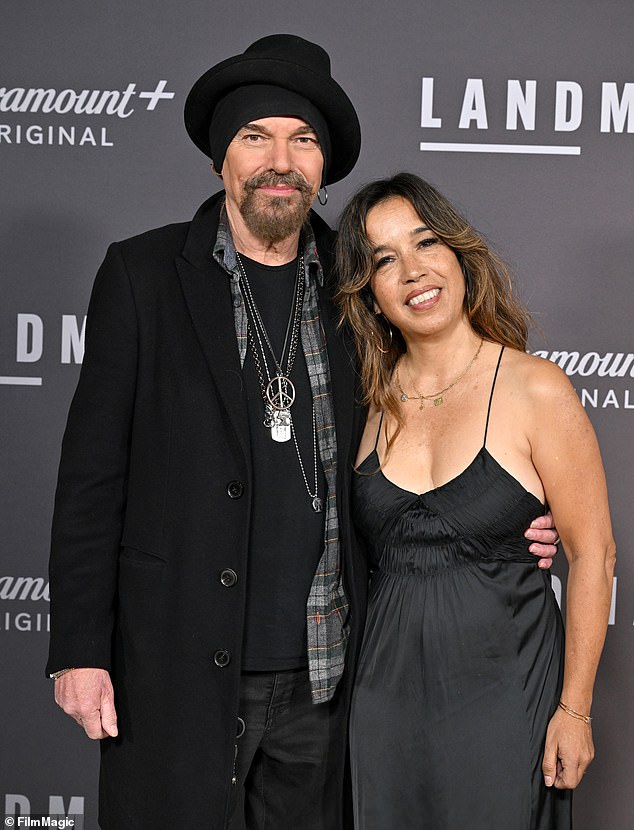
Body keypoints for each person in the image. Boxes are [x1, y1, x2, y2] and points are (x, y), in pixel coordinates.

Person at [45, 36, 559, 830]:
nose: (279, 160)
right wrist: (80, 647)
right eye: (256, 137)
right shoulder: (141, 276)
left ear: (322, 168)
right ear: (222, 158)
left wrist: (499, 522)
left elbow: (432, 427)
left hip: (329, 682)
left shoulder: (363, 289)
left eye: (303, 140)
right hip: (173, 667)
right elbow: (90, 480)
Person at [335, 172, 615, 830]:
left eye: (426, 242)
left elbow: (593, 553)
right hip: (383, 700)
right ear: (370, 295)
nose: (413, 271)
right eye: (384, 260)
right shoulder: (361, 402)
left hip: (507, 691)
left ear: (459, 254)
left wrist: (574, 710)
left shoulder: (534, 388)